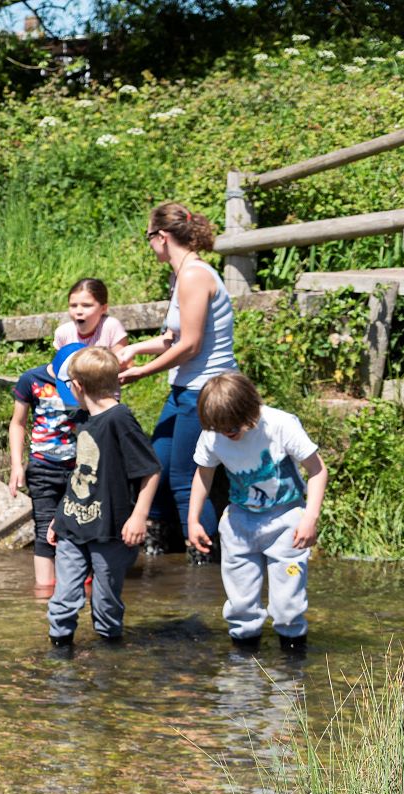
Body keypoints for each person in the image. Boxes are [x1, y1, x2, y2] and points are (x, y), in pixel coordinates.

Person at [116, 202, 235, 559]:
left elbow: (191, 344)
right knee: (157, 464)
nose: (150, 245)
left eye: (149, 237)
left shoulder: (194, 275)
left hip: (206, 390)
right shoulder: (181, 273)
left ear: (162, 237)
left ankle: (204, 557)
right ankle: (157, 546)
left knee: (185, 477)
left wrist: (141, 372)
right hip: (185, 387)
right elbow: (172, 337)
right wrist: (134, 349)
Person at [186, 371, 327, 655]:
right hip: (239, 521)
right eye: (220, 429)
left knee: (287, 605)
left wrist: (309, 517)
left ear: (251, 409)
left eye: (233, 428)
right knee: (240, 605)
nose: (228, 434)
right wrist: (193, 519)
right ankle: (243, 668)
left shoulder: (280, 425)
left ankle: (291, 663)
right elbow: (203, 475)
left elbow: (317, 470)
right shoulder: (213, 435)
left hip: (286, 520)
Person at [43, 347, 162, 647]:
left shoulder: (119, 419)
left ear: (79, 386)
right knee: (63, 598)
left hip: (110, 528)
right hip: (73, 525)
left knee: (106, 601)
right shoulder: (83, 418)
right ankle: (60, 653)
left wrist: (139, 516)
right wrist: (59, 517)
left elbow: (150, 470)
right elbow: (77, 475)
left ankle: (110, 659)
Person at [8, 342, 88, 593]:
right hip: (42, 465)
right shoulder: (31, 380)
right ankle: (44, 591)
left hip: (79, 469)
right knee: (44, 528)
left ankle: (83, 589)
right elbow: (18, 423)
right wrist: (16, 465)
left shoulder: (85, 381)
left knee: (81, 525)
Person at [53, 277, 129, 351]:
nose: (78, 311)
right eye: (73, 305)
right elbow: (60, 363)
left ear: (103, 308)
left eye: (86, 305)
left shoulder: (111, 327)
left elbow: (124, 362)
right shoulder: (63, 333)